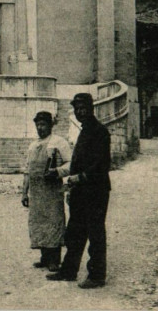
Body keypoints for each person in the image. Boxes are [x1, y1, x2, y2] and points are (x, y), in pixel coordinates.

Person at [46, 92, 111, 289]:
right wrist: (72, 187)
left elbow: (102, 165)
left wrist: (79, 178)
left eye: (84, 108)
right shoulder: (83, 131)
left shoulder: (100, 132)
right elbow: (77, 162)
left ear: (91, 109)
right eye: (77, 109)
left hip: (96, 191)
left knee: (95, 233)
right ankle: (69, 270)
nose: (80, 112)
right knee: (75, 232)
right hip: (81, 191)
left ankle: (97, 275)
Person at [22, 111, 71, 271]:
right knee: (39, 223)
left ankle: (54, 260)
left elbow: (70, 164)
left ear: (51, 125)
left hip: (52, 191)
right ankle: (44, 257)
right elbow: (27, 171)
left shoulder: (59, 142)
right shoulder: (33, 145)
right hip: (36, 192)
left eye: (43, 125)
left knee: (53, 222)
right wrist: (24, 192)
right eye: (38, 125)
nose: (40, 128)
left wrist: (56, 171)